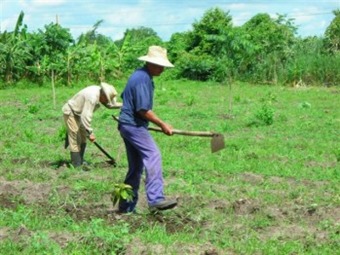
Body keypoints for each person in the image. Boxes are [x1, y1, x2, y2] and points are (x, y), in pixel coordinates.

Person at [117, 45, 177, 213]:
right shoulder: (142, 78)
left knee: (136, 168)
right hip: (134, 126)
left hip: (127, 125)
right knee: (153, 155)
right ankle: (156, 198)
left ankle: (126, 207)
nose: (162, 69)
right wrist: (163, 124)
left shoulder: (140, 76)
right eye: (159, 65)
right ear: (150, 63)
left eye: (163, 66)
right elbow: (142, 110)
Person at [62, 82, 121, 168]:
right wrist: (90, 133)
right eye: (106, 99)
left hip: (79, 113)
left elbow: (110, 105)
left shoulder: (100, 92)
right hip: (71, 112)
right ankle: (76, 164)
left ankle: (80, 160)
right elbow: (86, 116)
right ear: (103, 95)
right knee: (75, 139)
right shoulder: (92, 97)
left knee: (83, 138)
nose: (106, 102)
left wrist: (125, 105)